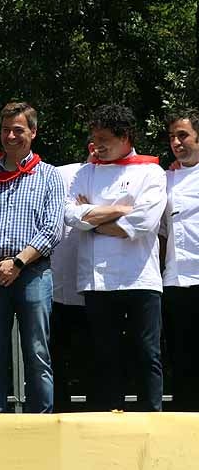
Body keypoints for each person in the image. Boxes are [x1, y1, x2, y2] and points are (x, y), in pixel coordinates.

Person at [0, 102, 64, 413]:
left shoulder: (48, 176)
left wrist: (18, 262)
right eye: (6, 130)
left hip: (33, 272)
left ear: (32, 133)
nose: (10, 136)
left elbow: (52, 228)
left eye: (18, 130)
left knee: (37, 351)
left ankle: (41, 418)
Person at [65, 105, 165, 412]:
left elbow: (145, 223)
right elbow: (71, 215)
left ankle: (153, 417)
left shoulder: (151, 172)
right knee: (104, 355)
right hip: (97, 282)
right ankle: (110, 418)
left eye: (104, 138)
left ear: (125, 137)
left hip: (140, 278)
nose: (97, 145)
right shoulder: (86, 172)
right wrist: (122, 210)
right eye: (94, 138)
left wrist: (93, 219)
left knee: (146, 353)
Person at [162, 108, 199, 410]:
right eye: (172, 136)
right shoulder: (165, 178)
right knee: (181, 359)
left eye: (183, 135)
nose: (176, 142)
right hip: (175, 280)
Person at [50, 143, 92, 412]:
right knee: (54, 360)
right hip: (55, 287)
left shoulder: (122, 178)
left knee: (98, 359)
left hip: (101, 288)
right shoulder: (60, 174)